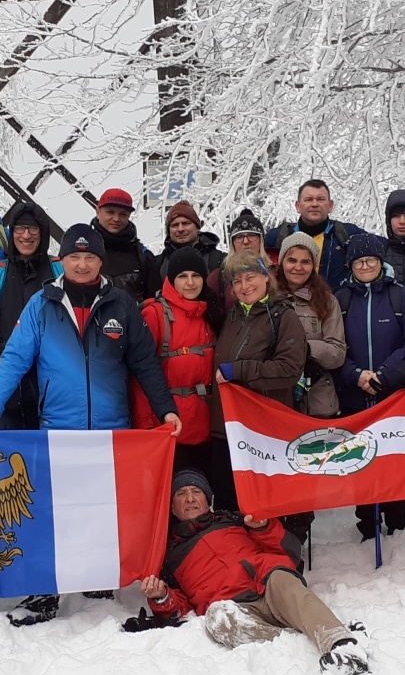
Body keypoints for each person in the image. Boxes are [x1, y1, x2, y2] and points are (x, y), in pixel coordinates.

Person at [0, 224, 181, 623]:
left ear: (100, 261)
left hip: (109, 430)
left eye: (90, 257)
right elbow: (14, 358)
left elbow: (144, 363)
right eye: (74, 257)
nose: (82, 264)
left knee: (102, 508)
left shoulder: (121, 304)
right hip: (59, 430)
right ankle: (46, 589)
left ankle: (99, 575)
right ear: (62, 261)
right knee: (55, 510)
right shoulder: (42, 304)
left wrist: (166, 409)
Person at [138, 470, 371, 675]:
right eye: (181, 494)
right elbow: (183, 610)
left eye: (196, 491)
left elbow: (287, 552)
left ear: (207, 500)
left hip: (266, 584)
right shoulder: (168, 555)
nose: (189, 498)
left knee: (283, 579)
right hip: (234, 607)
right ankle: (297, 639)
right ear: (171, 507)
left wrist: (264, 528)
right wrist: (162, 598)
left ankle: (343, 645)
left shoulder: (235, 520)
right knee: (217, 617)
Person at [332, 233, 405, 540]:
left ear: (381, 262)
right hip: (356, 396)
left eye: (371, 261)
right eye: (359, 261)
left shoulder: (400, 296)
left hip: (394, 396)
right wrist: (356, 375)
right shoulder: (341, 299)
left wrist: (387, 373)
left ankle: (398, 520)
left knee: (394, 460)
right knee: (362, 461)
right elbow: (335, 346)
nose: (365, 266)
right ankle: (368, 523)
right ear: (351, 265)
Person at [206, 251, 307, 514]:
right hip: (225, 428)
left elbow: (289, 369)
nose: (244, 286)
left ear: (266, 277)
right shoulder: (233, 315)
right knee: (227, 502)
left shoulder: (284, 317)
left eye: (250, 277)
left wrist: (239, 370)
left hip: (260, 430)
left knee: (261, 505)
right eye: (237, 281)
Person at [268, 232, 348, 547]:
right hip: (277, 397)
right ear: (281, 261)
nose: (298, 267)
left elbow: (337, 350)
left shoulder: (326, 300)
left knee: (305, 472)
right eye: (292, 259)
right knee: (277, 472)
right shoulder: (267, 295)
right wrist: (292, 353)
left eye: (305, 261)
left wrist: (308, 352)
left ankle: (298, 535)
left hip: (315, 398)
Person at [0, 199, 60, 430]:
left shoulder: (60, 274)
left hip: (53, 390)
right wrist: (9, 349)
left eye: (33, 229)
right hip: (8, 393)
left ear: (43, 232)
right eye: (19, 228)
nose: (26, 236)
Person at [133, 246, 218, 474]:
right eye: (182, 276)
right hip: (169, 425)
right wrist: (147, 427)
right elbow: (141, 373)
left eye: (196, 275)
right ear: (171, 279)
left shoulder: (210, 313)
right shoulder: (155, 315)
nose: (190, 283)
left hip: (206, 426)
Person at [265, 180, 367, 291]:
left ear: (330, 205)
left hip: (335, 306)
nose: (314, 204)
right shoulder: (276, 237)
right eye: (308, 199)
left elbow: (384, 251)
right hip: (286, 306)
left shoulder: (347, 234)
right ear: (298, 206)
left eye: (320, 199)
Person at [91, 187, 159, 303]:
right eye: (110, 212)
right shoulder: (80, 252)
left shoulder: (143, 257)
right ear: (98, 212)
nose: (116, 219)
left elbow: (154, 305)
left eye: (123, 214)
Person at [157, 200, 226, 285]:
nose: (180, 229)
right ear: (168, 231)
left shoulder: (219, 260)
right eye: (175, 225)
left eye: (186, 223)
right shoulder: (157, 263)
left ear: (197, 227)